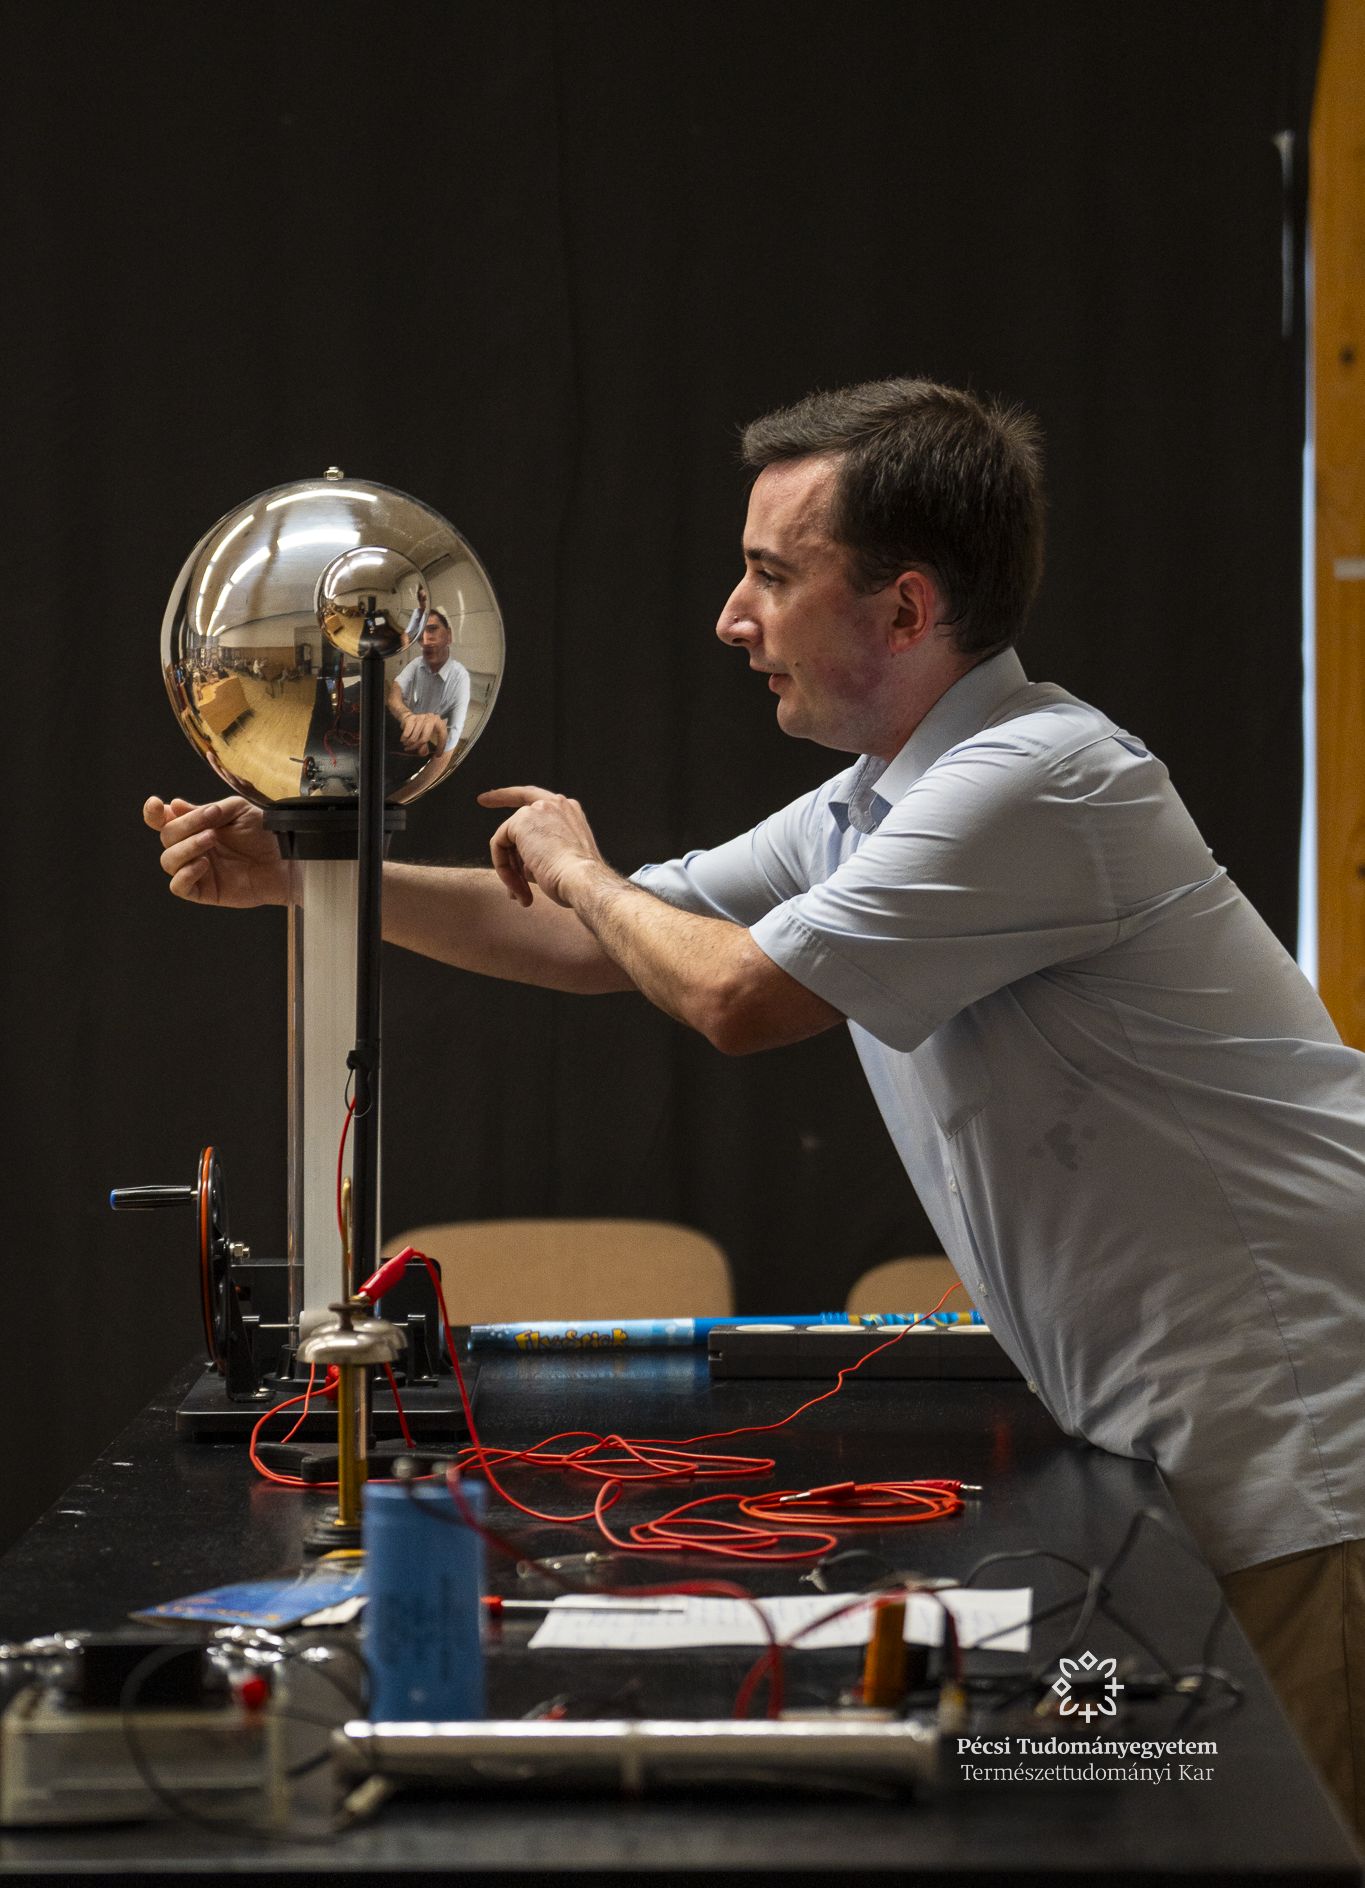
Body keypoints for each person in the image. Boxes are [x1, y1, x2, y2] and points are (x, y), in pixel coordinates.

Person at [146, 377, 1365, 1835]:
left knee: (1265, 1834)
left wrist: (582, 865)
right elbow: (590, 945)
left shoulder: (1041, 779)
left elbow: (733, 995)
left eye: (773, 577)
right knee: (1150, 1807)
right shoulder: (877, 799)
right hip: (1192, 1448)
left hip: (1300, 1454)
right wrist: (307, 875)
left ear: (906, 610)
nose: (732, 618)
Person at [386, 606, 470, 757]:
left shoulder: (460, 677)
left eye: (432, 629)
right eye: (419, 637)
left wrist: (432, 736)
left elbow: (455, 737)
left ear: (449, 635)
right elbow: (394, 693)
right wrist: (406, 716)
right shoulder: (417, 663)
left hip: (432, 744)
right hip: (405, 729)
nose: (425, 640)